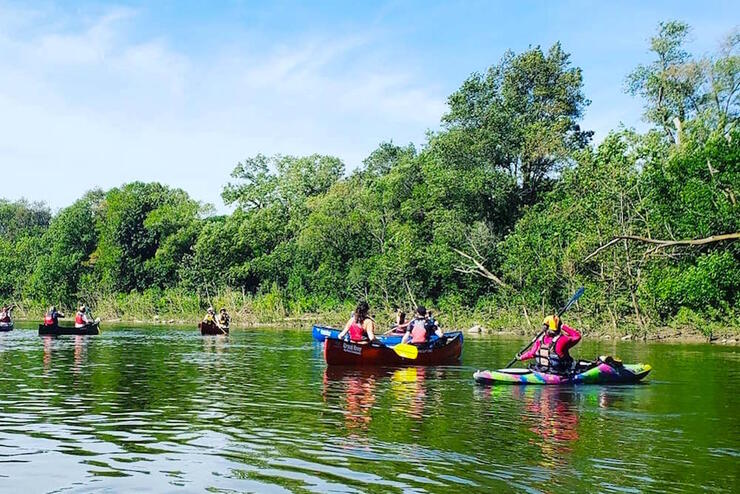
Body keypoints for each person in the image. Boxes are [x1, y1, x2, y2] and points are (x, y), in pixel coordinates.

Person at [517, 315, 581, 374]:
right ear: (558, 327)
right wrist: (563, 326)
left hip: (541, 369)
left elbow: (531, 353)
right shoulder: (563, 339)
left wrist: (521, 357)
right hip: (559, 371)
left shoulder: (539, 339)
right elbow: (577, 336)